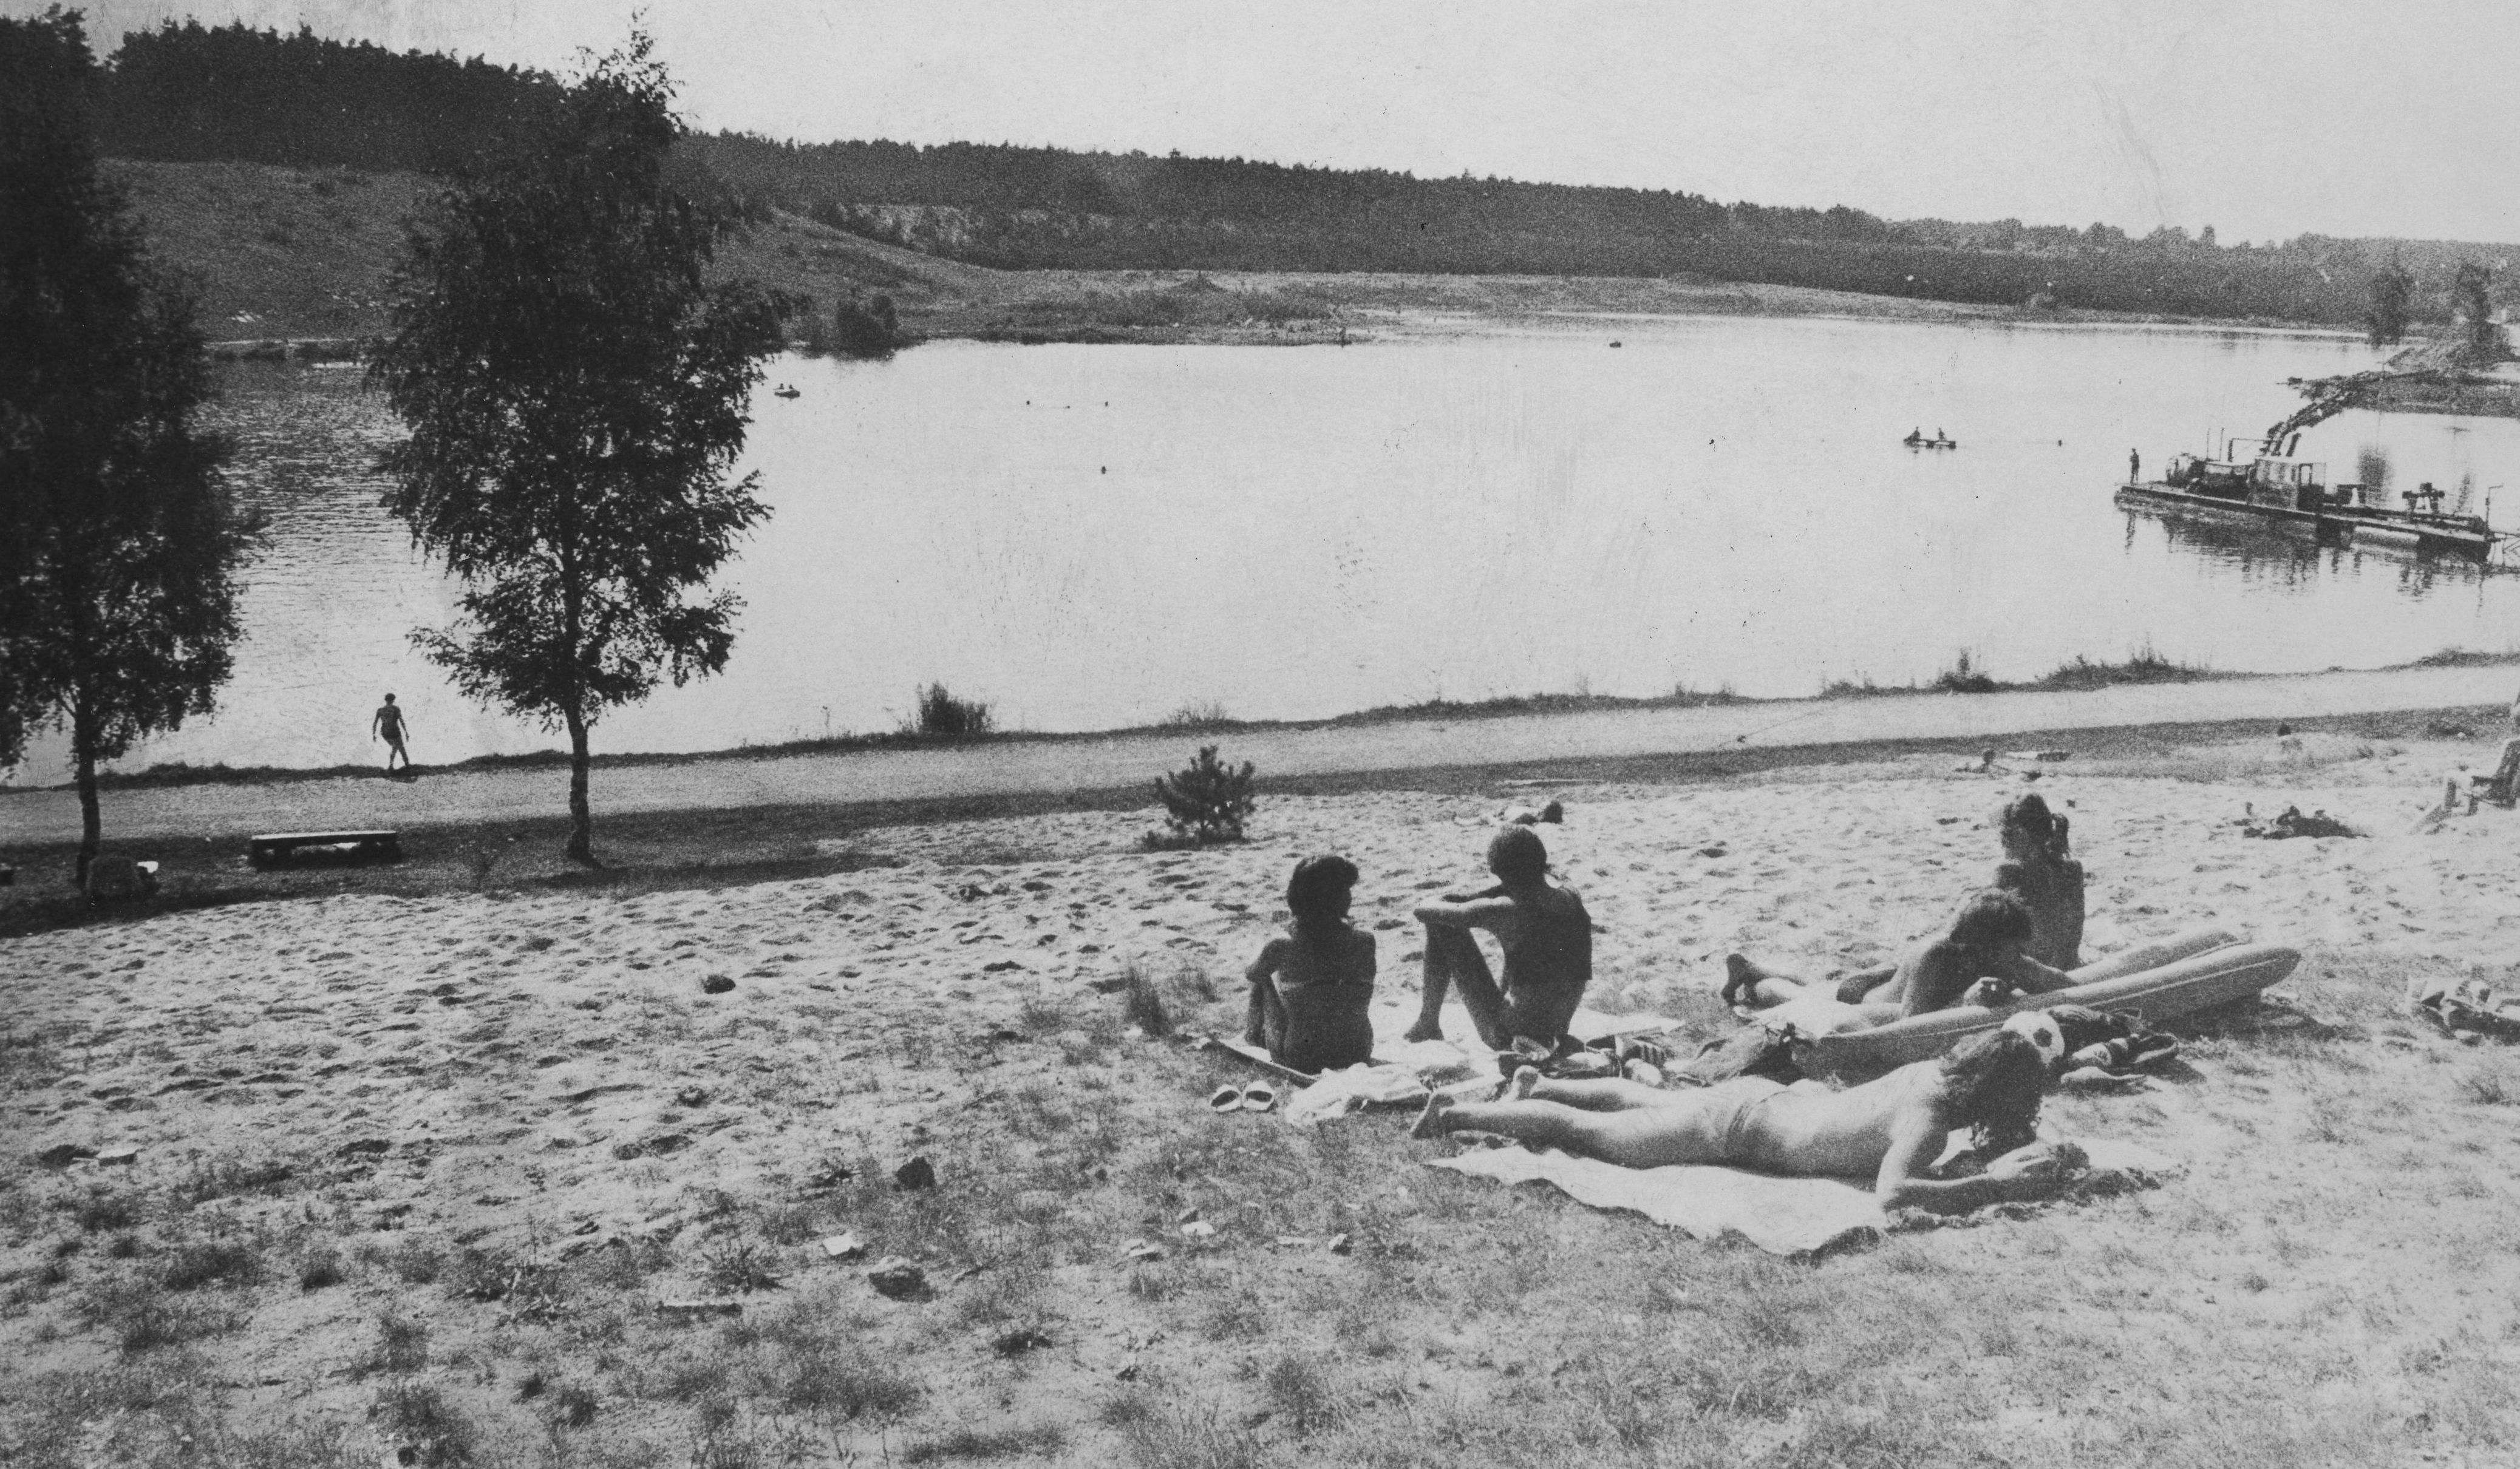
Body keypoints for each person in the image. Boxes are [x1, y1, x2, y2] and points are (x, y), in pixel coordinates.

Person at [1412, 1029, 2084, 1213]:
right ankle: (1459, 1113)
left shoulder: (1930, 1074)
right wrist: (1993, 1188)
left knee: (1632, 1099)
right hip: (1734, 1130)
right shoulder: (1930, 1118)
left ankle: (1544, 1079)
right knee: (1580, 1132)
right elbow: (1896, 1194)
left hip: (1764, 1097)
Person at [1726, 888, 2076, 1020]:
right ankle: (1756, 982)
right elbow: (1911, 1023)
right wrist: (1966, 1003)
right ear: (1985, 945)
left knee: (1817, 984)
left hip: (1884, 980)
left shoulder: (1999, 957)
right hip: (1862, 1002)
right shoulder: (1938, 956)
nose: (2019, 956)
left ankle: (1752, 967)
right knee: (1800, 995)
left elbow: (2059, 982)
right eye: (2012, 949)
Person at [1404, 827, 1592, 1051]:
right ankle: (1428, 1023)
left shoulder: (1507, 910)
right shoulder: (1570, 894)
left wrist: (1459, 900)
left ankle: (1428, 1022)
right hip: (1556, 1032)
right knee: (1523, 949)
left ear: (1503, 874)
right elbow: (1530, 887)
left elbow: (1422, 910)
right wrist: (1476, 898)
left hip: (1512, 1038)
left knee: (1443, 926)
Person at [1244, 854, 1378, 1073]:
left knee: (1262, 976)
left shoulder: (1282, 945)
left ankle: (1250, 1035)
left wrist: (1270, 945)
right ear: (1342, 899)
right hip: (1357, 1053)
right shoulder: (1366, 941)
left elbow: (1250, 972)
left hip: (1302, 1058)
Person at [1992, 793, 2085, 969]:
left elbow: (1998, 944)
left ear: (2021, 833)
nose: (2003, 842)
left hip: (2034, 974)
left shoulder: (2008, 873)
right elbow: (2072, 939)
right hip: (2070, 968)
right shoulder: (2073, 870)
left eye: (2005, 834)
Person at [2468, 689, 2520, 812]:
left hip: (2498, 793)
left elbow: (2495, 774)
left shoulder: (2512, 744)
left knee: (2451, 776)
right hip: (2514, 793)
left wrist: (2473, 771)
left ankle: (2448, 813)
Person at [372, 693, 412, 772]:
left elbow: (375, 723)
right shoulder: (396, 709)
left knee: (396, 747)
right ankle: (406, 765)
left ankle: (392, 766)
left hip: (385, 733)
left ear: (386, 700)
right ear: (393, 700)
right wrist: (406, 732)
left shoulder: (380, 710)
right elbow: (401, 721)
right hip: (394, 731)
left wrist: (374, 734)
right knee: (400, 748)